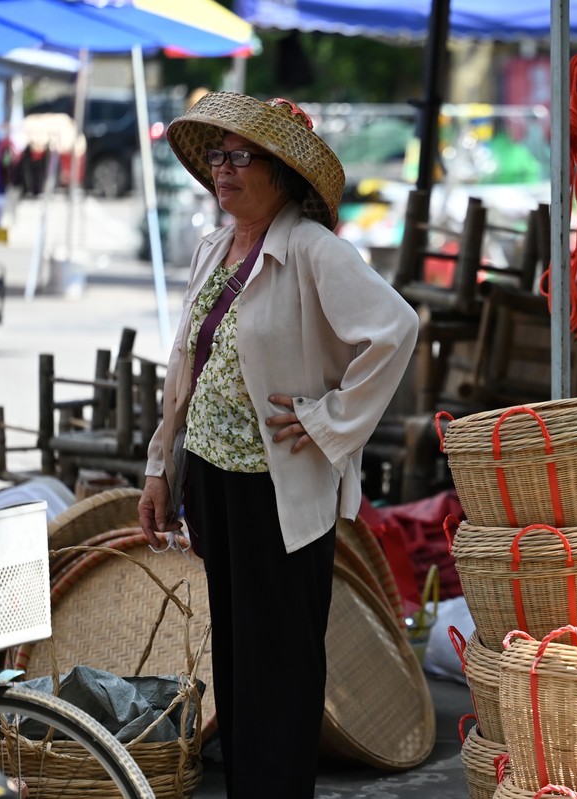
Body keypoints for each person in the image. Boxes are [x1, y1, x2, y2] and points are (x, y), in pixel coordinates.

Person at [137, 92, 419, 797]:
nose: (222, 170)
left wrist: (330, 420)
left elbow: (395, 329)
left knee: (282, 664)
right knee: (236, 655)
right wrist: (160, 468)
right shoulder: (214, 247)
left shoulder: (314, 250)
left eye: (240, 158)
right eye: (218, 156)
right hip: (212, 479)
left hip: (278, 489)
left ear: (283, 173)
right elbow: (185, 366)